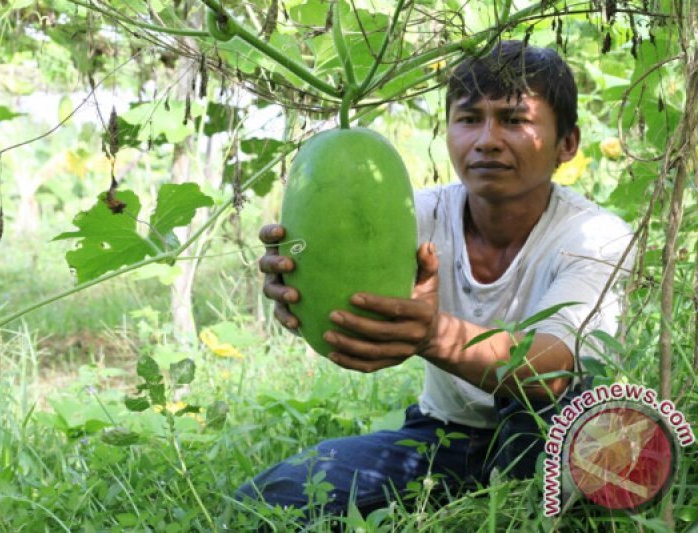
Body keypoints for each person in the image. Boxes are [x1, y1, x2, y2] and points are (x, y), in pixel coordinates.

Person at [237, 40, 634, 516]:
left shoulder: (596, 235)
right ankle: (462, 491)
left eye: (514, 120)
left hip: (549, 429)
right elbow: (349, 311)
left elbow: (554, 370)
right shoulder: (411, 216)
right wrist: (301, 286)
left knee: (574, 450)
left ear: (566, 144)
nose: (486, 139)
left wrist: (433, 335)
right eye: (468, 119)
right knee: (266, 500)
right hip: (443, 435)